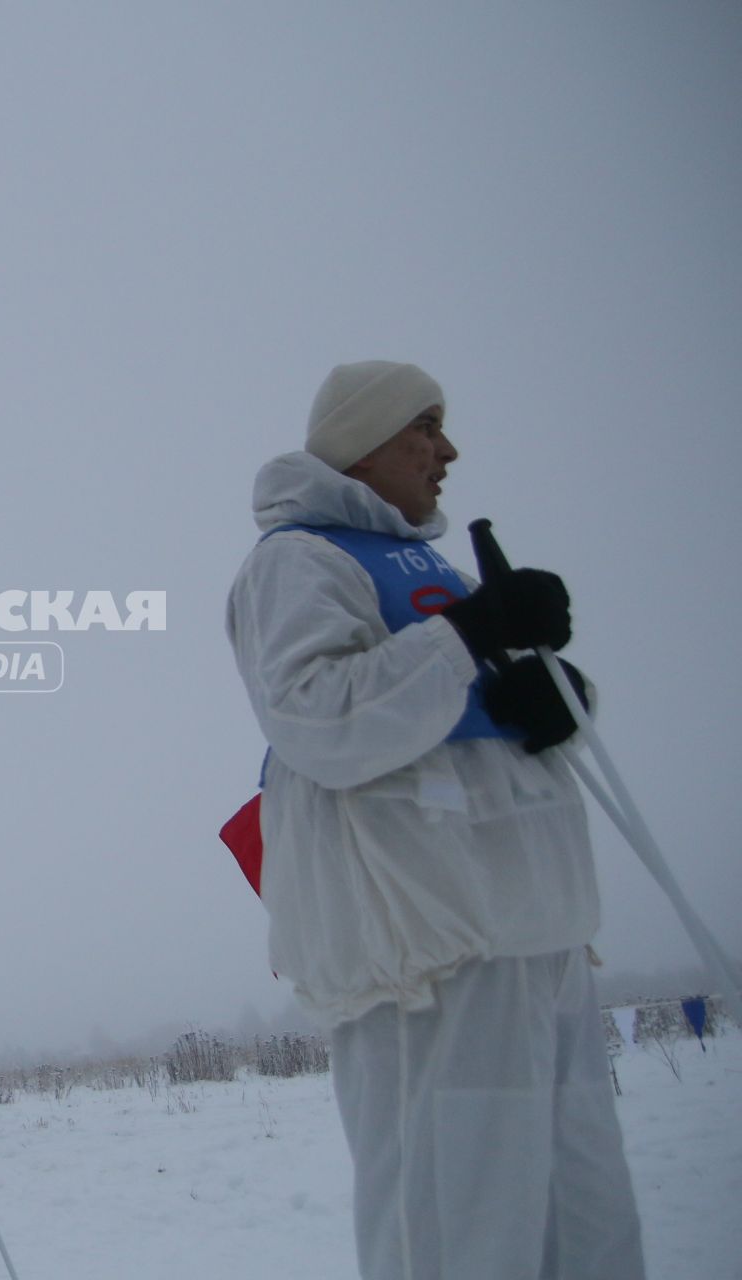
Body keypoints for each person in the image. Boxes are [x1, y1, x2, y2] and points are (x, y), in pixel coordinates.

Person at [224, 361, 644, 1279]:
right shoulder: (297, 560)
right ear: (364, 439)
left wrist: (552, 698)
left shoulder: (432, 568)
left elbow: (464, 716)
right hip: (429, 954)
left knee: (586, 1226)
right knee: (464, 1233)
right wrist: (469, 635)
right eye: (425, 425)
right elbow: (318, 718)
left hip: (540, 936)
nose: (447, 449)